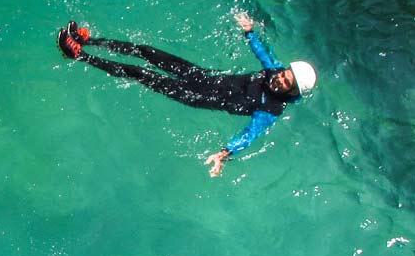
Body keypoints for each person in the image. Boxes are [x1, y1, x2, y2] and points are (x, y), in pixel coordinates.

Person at [56, 12, 317, 176]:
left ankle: (79, 55)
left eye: (287, 82)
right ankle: (87, 40)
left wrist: (225, 153)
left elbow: (250, 135)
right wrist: (249, 32)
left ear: (293, 91)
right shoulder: (274, 71)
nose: (280, 79)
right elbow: (262, 52)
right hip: (200, 76)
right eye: (285, 74)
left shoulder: (271, 109)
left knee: (139, 73)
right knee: (148, 52)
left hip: (193, 95)